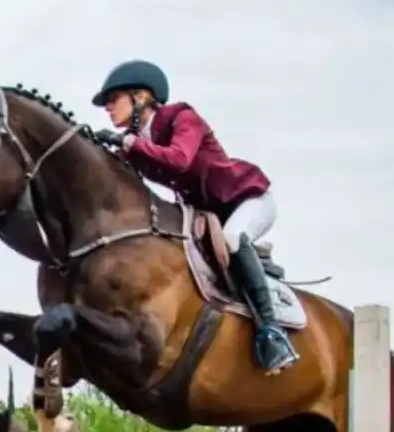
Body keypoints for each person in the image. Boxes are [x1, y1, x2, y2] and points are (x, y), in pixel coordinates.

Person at [91, 59, 299, 374]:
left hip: (247, 199)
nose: (108, 107)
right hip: (207, 214)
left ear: (141, 96)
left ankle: (272, 333)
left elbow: (180, 159)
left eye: (113, 98)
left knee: (232, 238)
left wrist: (128, 143)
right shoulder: (138, 140)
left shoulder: (181, 117)